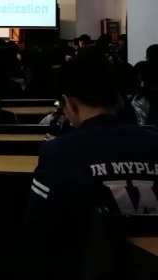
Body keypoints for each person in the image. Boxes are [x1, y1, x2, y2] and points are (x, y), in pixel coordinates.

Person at [23, 53, 158, 280]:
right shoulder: (153, 142)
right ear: (118, 100)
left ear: (70, 103)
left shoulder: (60, 152)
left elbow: (37, 231)